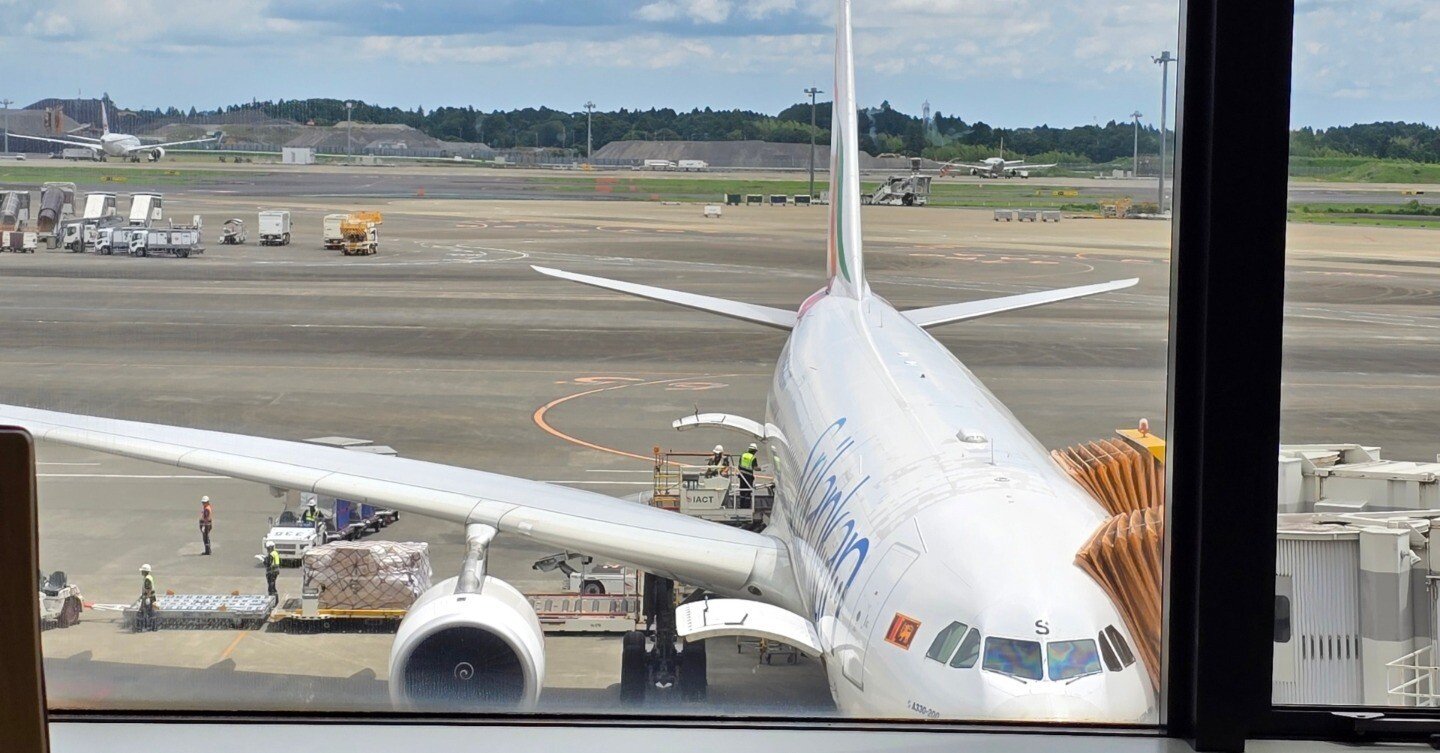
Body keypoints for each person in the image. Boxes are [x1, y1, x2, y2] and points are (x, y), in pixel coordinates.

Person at [739, 442, 761, 509]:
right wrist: (761, 469)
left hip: (741, 475)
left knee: (742, 490)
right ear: (754, 451)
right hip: (748, 477)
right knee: (748, 491)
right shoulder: (753, 458)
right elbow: (755, 468)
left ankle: (741, 505)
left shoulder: (743, 455)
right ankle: (747, 506)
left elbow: (739, 465)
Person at [137, 564, 158, 632]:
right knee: (151, 612)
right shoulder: (149, 577)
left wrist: (147, 598)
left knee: (142, 612)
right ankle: (153, 627)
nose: (141, 572)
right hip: (151, 597)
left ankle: (140, 628)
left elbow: (148, 589)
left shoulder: (147, 579)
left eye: (142, 571)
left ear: (145, 571)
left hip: (149, 597)